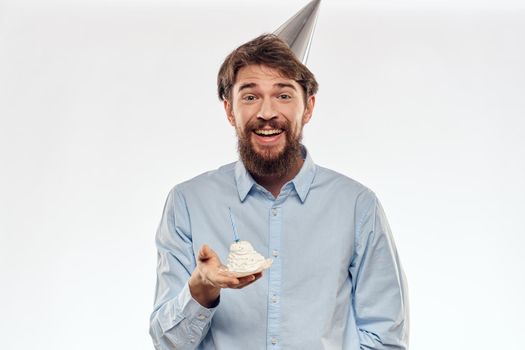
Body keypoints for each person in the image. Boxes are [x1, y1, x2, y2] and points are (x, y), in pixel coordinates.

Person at [149, 34, 409, 349]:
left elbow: (385, 338)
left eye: (283, 95)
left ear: (308, 107)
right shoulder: (188, 203)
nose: (267, 112)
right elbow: (168, 343)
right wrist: (200, 290)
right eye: (250, 96)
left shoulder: (356, 206)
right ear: (230, 110)